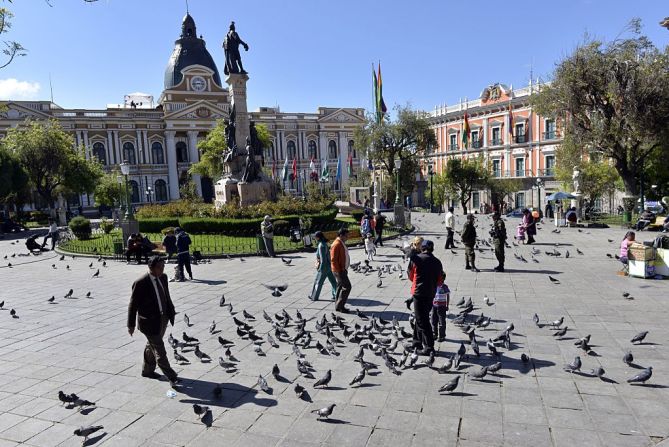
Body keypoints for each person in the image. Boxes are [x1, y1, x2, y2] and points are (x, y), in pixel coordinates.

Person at [127, 256, 180, 387]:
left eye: (163, 266)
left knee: (152, 345)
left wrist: (170, 311)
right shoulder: (140, 283)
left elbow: (166, 295)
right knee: (160, 349)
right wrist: (131, 324)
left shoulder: (163, 277)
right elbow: (133, 305)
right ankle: (171, 376)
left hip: (163, 318)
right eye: (159, 267)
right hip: (149, 322)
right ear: (151, 268)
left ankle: (147, 371)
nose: (162, 269)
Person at [408, 240, 444, 355]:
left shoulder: (417, 259)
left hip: (418, 293)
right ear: (432, 249)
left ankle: (429, 347)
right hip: (430, 294)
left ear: (422, 248)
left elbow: (410, 276)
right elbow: (440, 281)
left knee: (422, 320)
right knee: (421, 318)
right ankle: (416, 342)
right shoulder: (437, 262)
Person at [308, 231, 337, 301]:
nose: (314, 238)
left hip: (324, 267)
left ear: (318, 237)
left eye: (315, 237)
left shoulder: (321, 246)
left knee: (318, 282)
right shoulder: (324, 244)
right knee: (333, 281)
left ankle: (314, 296)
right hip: (329, 266)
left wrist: (320, 269)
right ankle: (336, 295)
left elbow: (323, 259)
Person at [330, 227, 352, 313]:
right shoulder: (337, 244)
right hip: (339, 270)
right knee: (347, 287)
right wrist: (340, 270)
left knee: (340, 287)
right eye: (346, 236)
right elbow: (333, 259)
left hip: (341, 269)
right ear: (341, 235)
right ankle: (340, 306)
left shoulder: (340, 242)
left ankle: (338, 306)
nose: (347, 237)